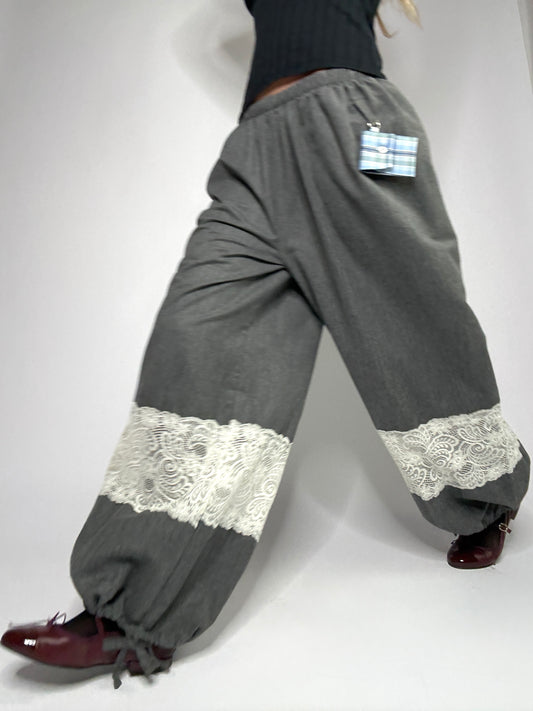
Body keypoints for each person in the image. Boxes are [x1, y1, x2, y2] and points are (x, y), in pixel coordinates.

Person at [2, 0, 530, 691]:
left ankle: (486, 498)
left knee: (415, 328)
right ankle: (130, 613)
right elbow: (205, 34)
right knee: (200, 342)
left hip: (357, 124)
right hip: (255, 146)